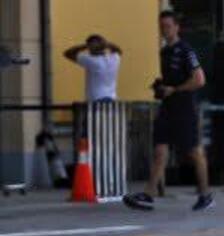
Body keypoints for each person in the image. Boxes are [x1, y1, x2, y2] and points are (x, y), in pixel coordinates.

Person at [124, 10, 212, 211]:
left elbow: (199, 79)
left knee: (194, 151)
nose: (164, 30)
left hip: (184, 107)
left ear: (176, 27)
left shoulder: (185, 50)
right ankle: (149, 193)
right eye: (161, 26)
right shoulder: (164, 52)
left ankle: (206, 193)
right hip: (168, 106)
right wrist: (161, 86)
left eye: (168, 26)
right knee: (160, 149)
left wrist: (175, 89)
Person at [63, 34, 121, 102]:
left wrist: (85, 46)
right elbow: (118, 51)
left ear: (90, 48)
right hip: (112, 99)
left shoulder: (91, 61)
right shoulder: (114, 58)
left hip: (95, 100)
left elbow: (67, 53)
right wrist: (107, 44)